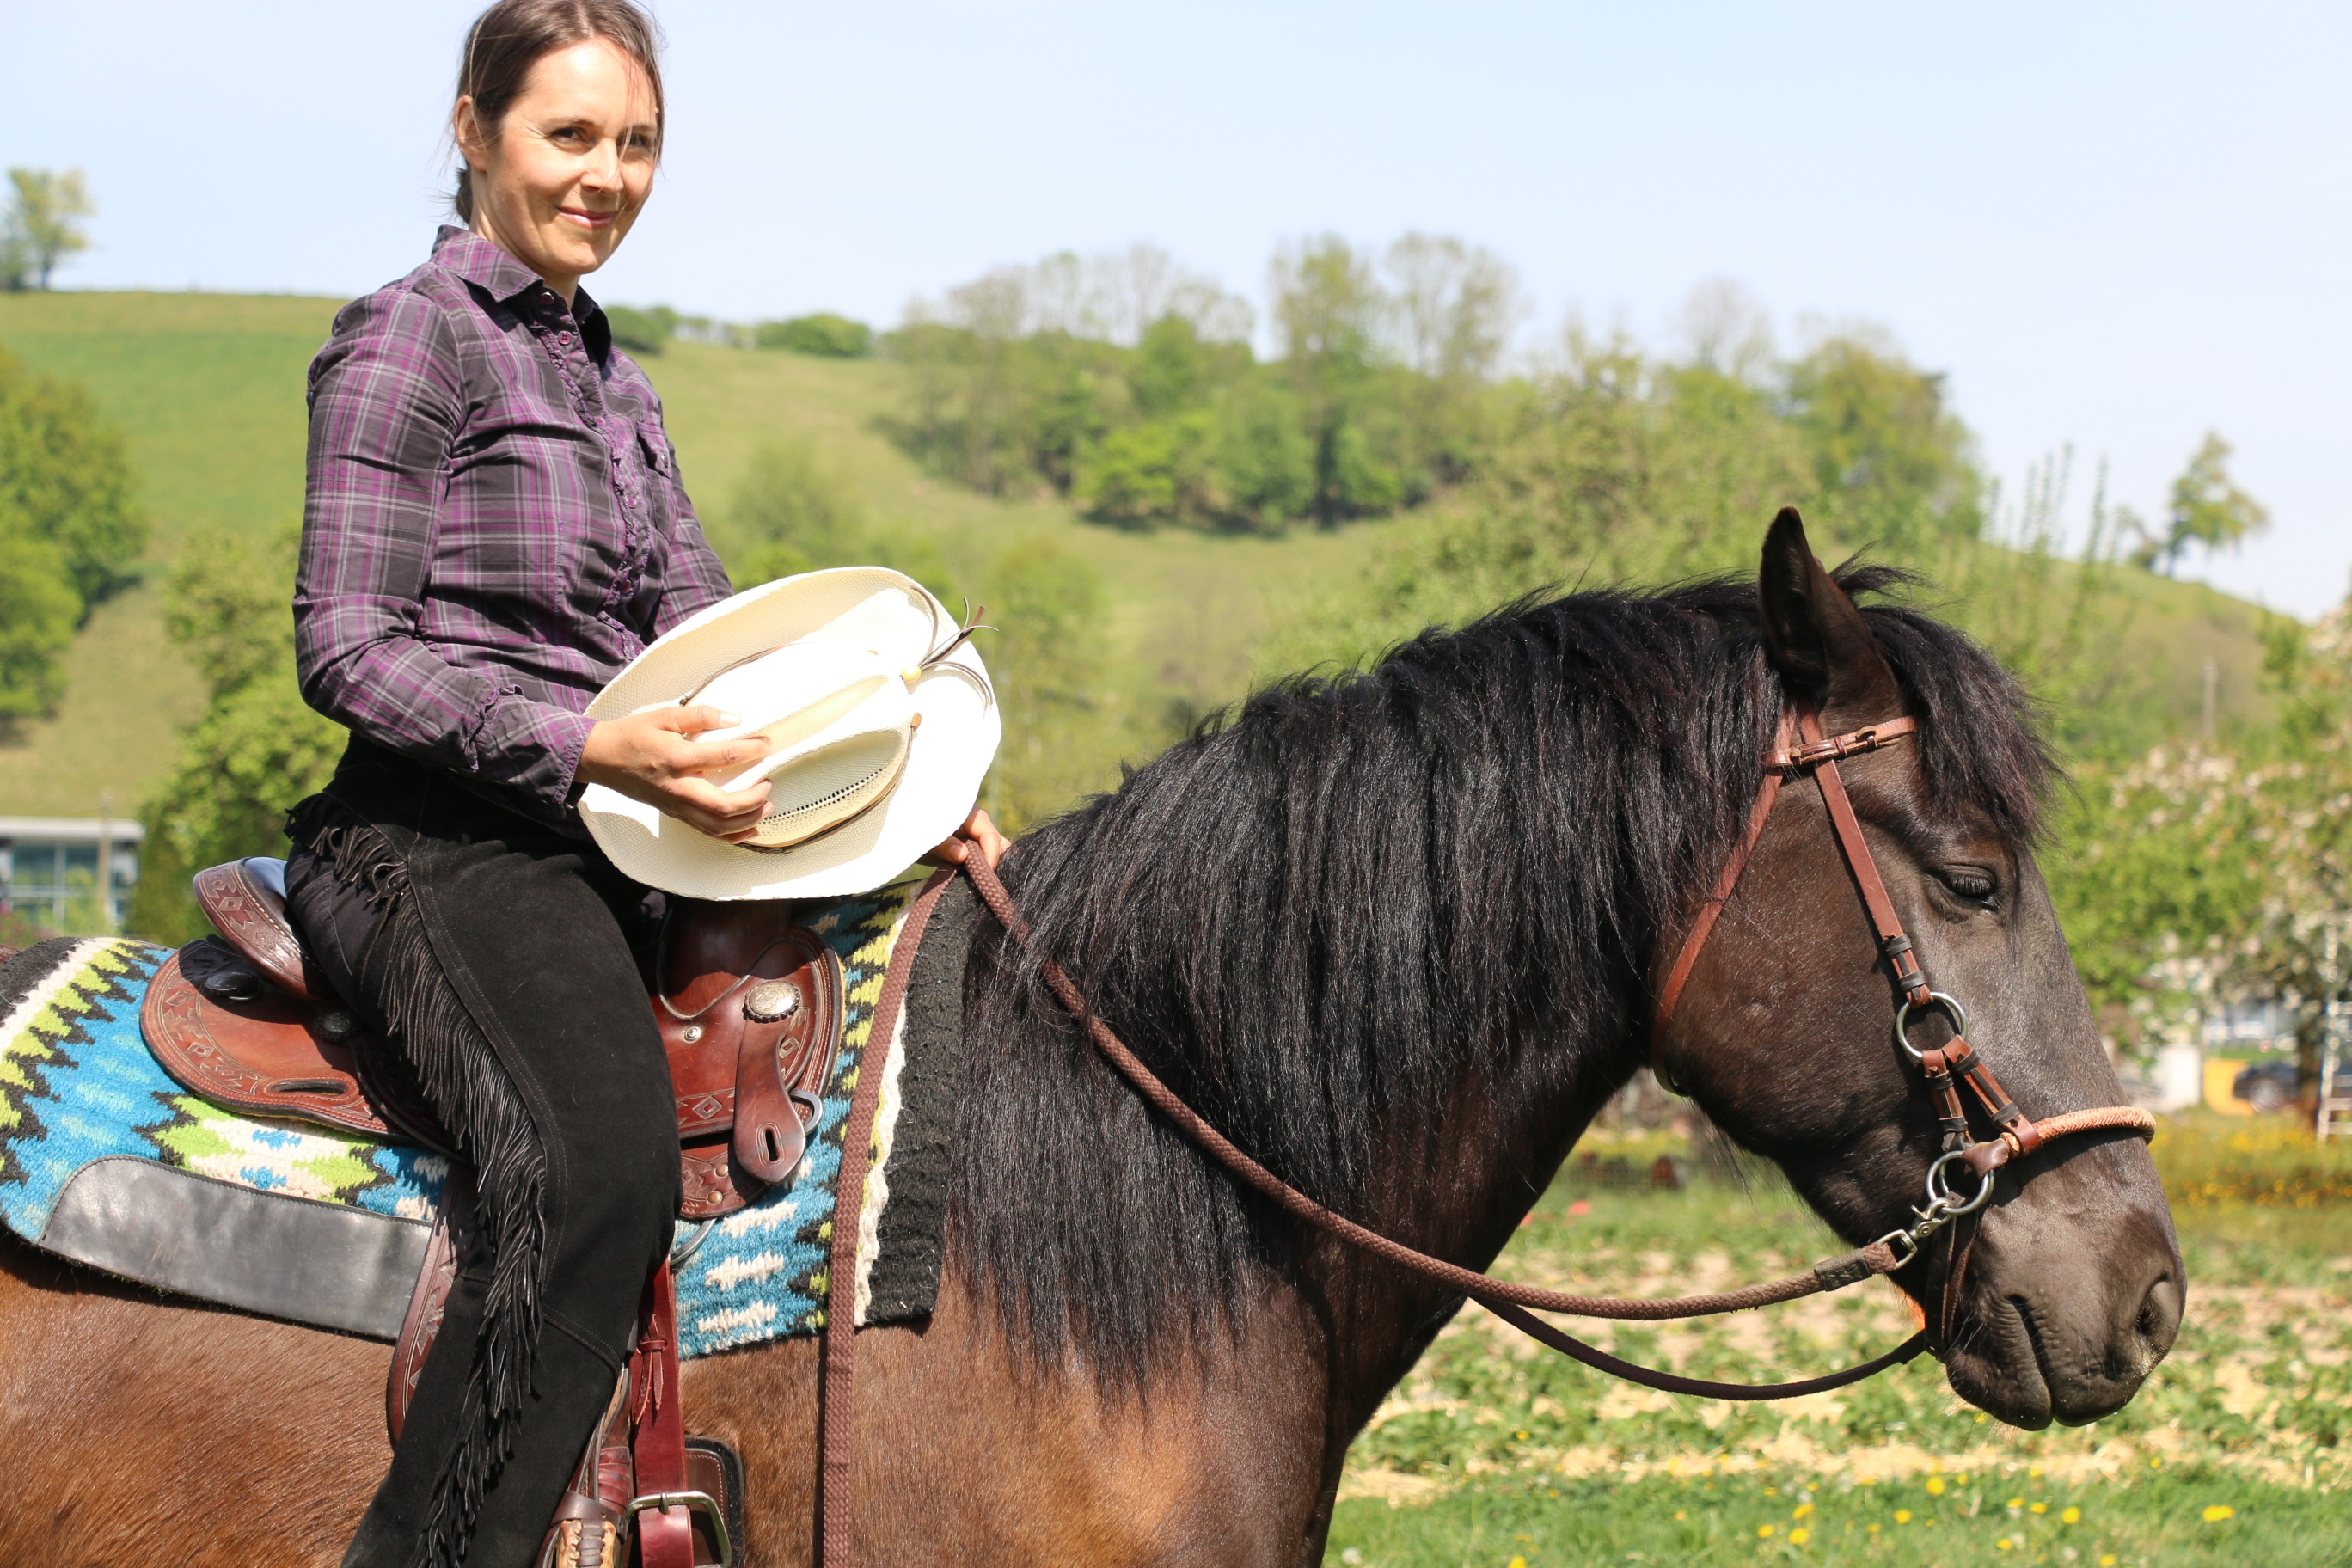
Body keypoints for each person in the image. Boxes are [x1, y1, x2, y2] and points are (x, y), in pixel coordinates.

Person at [282, 5, 998, 1565]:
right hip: (435, 841)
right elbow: (346, 645)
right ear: (472, 129)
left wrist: (898, 791)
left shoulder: (616, 380)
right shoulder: (411, 337)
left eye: (637, 143)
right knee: (599, 1171)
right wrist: (585, 746)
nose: (606, 177)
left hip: (623, 842)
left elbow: (710, 643)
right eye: (570, 135)